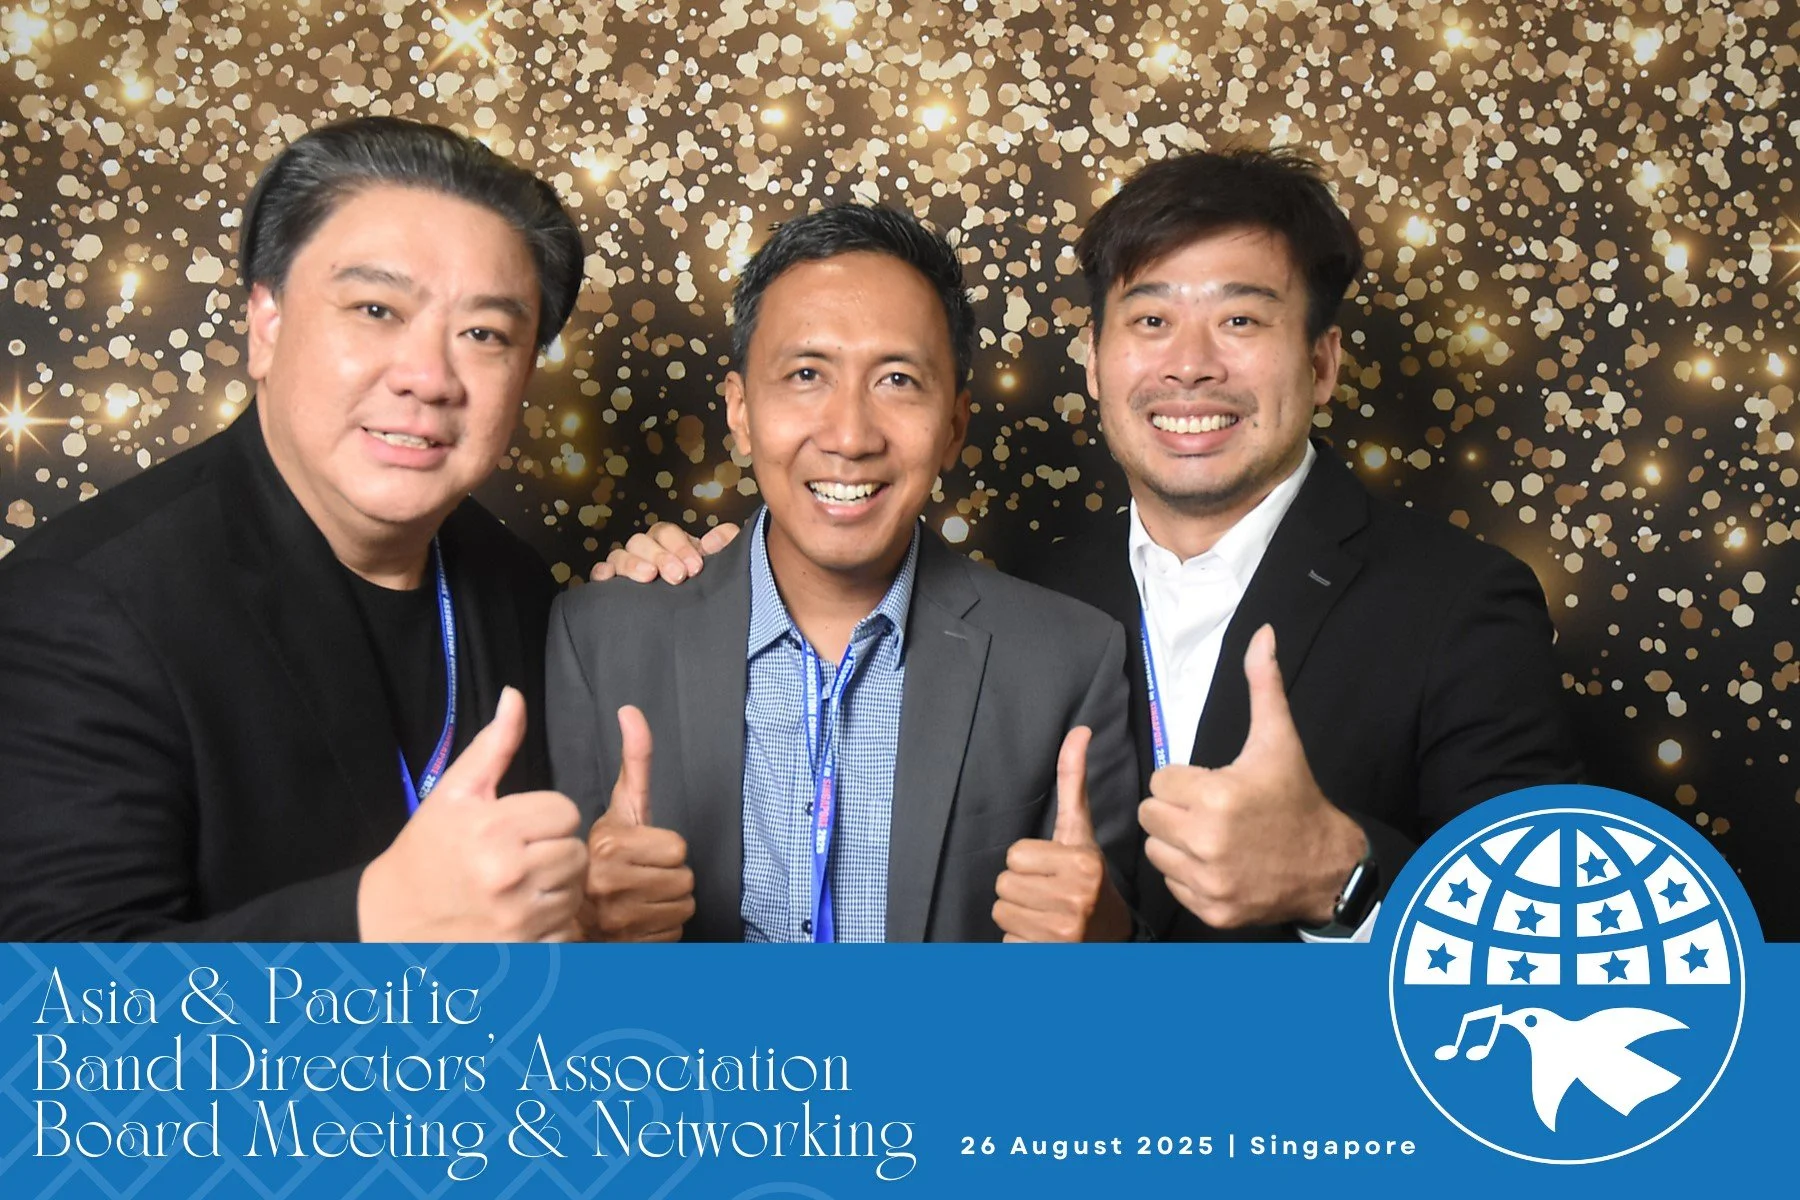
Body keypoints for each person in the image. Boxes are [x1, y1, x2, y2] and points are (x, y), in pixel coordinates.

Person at [594, 149, 1583, 942]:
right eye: (1150, 319)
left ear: (1321, 364)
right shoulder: (1023, 593)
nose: (1190, 366)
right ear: (1098, 362)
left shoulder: (1459, 604)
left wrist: (1347, 881)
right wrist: (699, 578)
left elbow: (1560, 954)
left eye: (1241, 318)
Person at [0, 117, 591, 942]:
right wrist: (377, 923)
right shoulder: (84, 603)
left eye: (484, 334)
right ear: (267, 324)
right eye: (377, 308)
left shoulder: (518, 584)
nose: (427, 377)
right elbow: (50, 1021)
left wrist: (592, 908)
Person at [546, 205, 1138, 943]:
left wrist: (1104, 938)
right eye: (805, 374)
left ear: (954, 425)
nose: (850, 437)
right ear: (739, 412)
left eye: (896, 379)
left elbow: (1108, 958)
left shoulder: (1069, 658)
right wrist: (578, 929)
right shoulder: (599, 638)